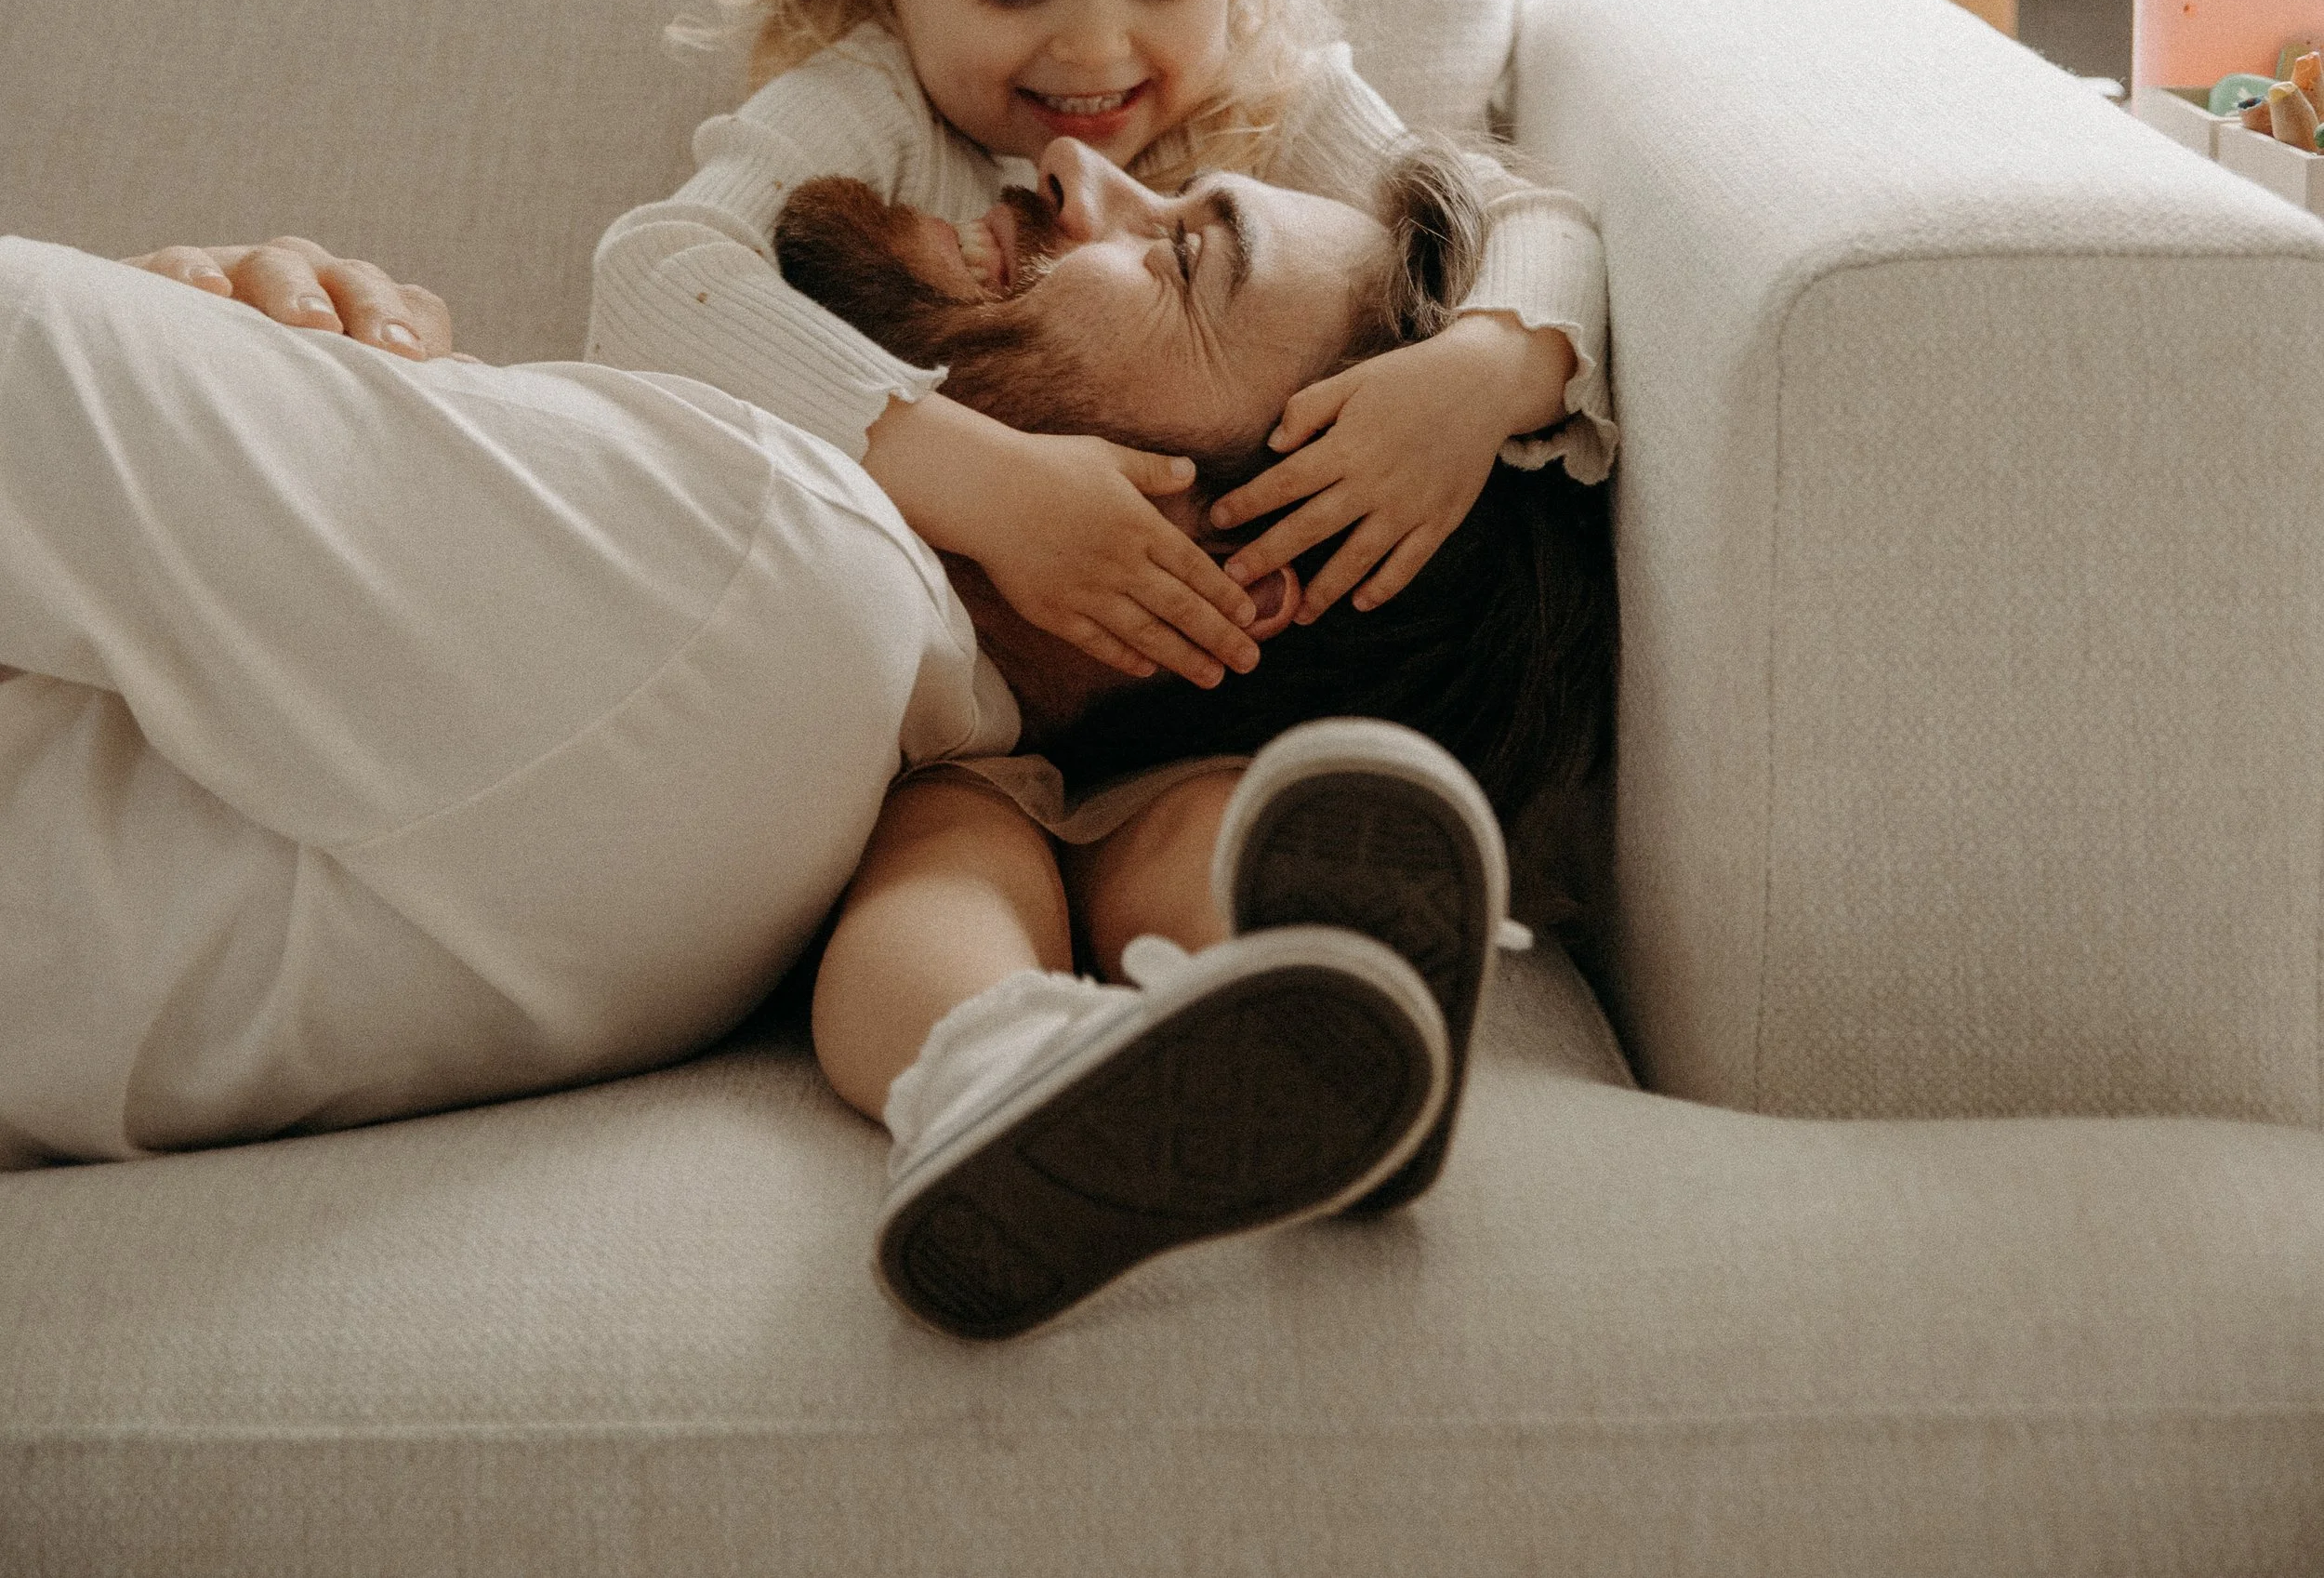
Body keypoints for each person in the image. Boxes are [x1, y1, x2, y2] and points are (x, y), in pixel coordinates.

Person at [1, 145, 1613, 1338]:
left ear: (1226, 568)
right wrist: (208, 350)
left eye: (1183, 255)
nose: (1077, 161)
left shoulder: (777, 567)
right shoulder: (794, 769)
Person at [583, 0, 1617, 1227]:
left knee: (1211, 828)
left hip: (1192, 701)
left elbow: (1521, 213)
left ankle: (1331, 1036)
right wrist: (987, 482)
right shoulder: (865, 117)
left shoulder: (1265, 121)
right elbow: (652, 279)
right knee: (939, 880)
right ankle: (999, 1082)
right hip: (948, 728)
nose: (1095, 50)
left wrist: (1487, 370)